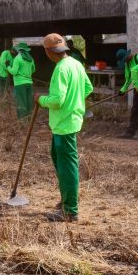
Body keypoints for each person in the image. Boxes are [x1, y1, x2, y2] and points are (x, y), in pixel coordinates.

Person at [35, 33, 93, 223]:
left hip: (63, 125)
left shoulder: (60, 69)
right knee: (59, 160)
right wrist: (75, 102)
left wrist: (40, 99)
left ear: (48, 52)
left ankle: (70, 210)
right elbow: (88, 88)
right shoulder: (76, 64)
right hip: (71, 121)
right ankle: (67, 198)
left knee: (67, 166)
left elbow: (57, 100)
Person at [116, 48, 138, 139]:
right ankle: (130, 132)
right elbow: (128, 79)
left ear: (128, 55)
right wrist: (123, 90)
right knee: (135, 110)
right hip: (137, 89)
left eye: (125, 58)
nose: (125, 60)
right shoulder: (127, 64)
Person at [8, 42, 36, 118]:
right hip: (29, 83)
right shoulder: (31, 59)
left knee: (21, 102)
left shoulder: (18, 58)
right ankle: (29, 119)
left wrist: (8, 67)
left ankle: (22, 121)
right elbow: (33, 70)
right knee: (28, 101)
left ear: (19, 50)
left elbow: (14, 72)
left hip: (19, 84)